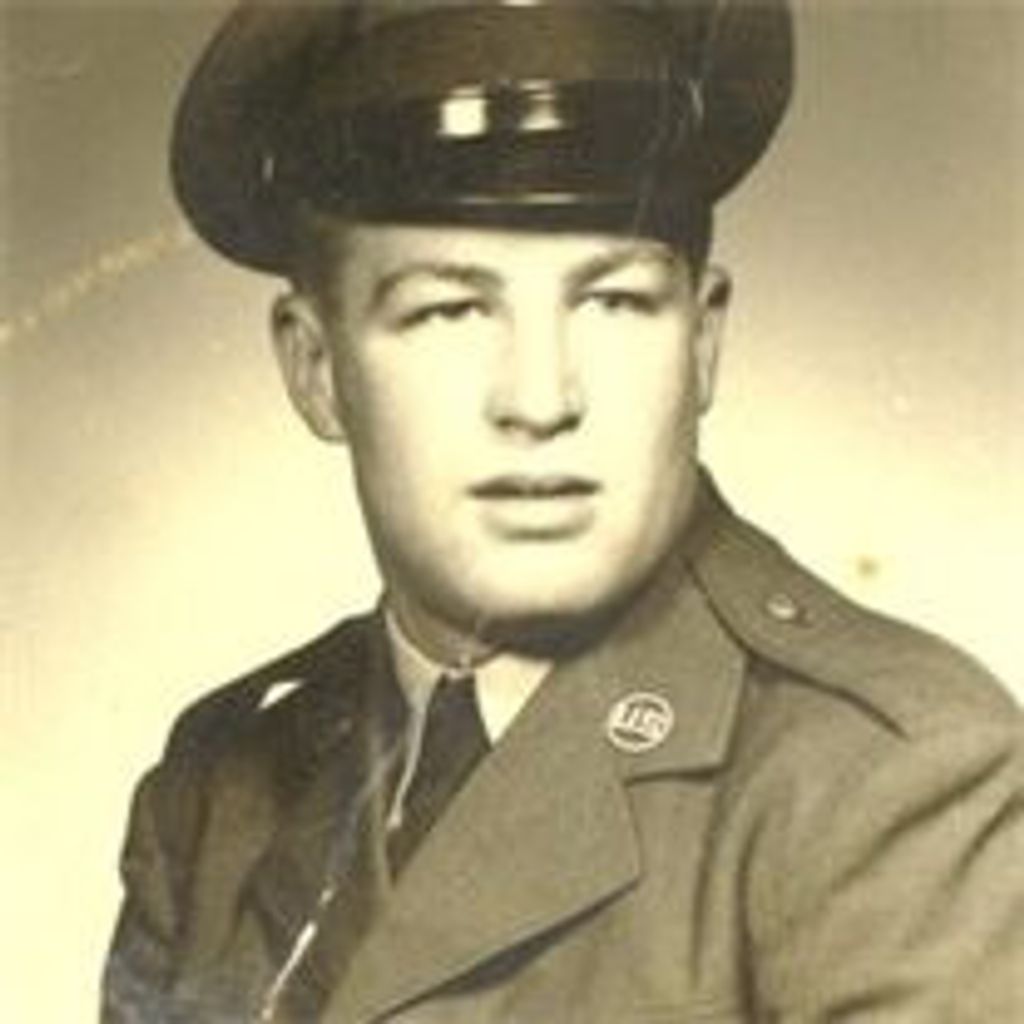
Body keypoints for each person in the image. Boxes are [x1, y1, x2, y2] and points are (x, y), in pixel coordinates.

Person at [102, 1, 1023, 1021]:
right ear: (315, 368)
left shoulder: (886, 784)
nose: (540, 399)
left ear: (702, 342)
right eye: (449, 309)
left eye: (614, 301)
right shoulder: (218, 798)